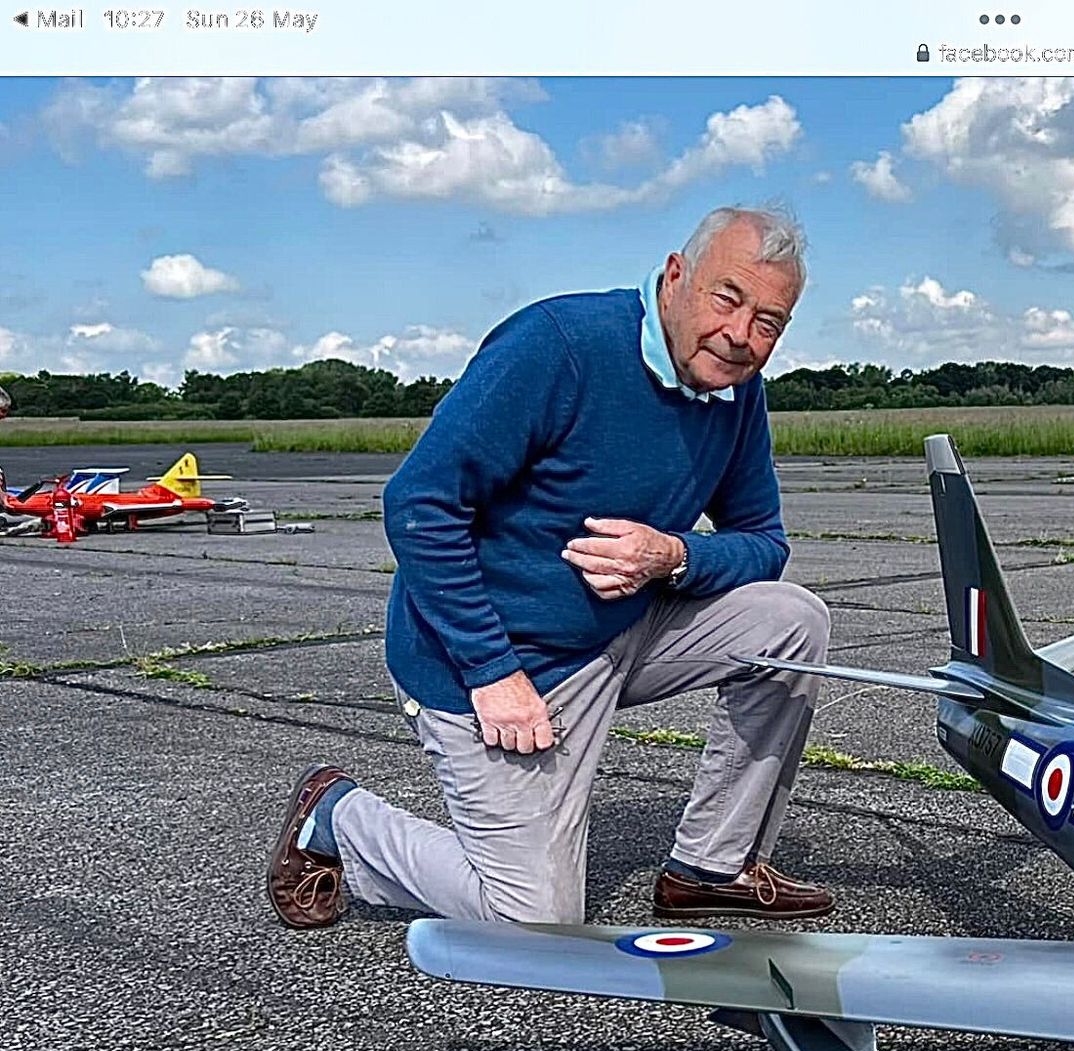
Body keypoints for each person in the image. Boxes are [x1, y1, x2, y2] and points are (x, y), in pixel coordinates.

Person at [267, 205, 837, 932]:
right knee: (534, 921)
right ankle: (338, 819)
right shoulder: (560, 345)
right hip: (509, 662)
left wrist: (674, 555)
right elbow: (420, 504)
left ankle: (710, 868)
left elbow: (763, 540)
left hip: (624, 628)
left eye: (769, 322)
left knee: (791, 621)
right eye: (727, 298)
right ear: (676, 276)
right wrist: (491, 672)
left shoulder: (734, 388)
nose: (740, 334)